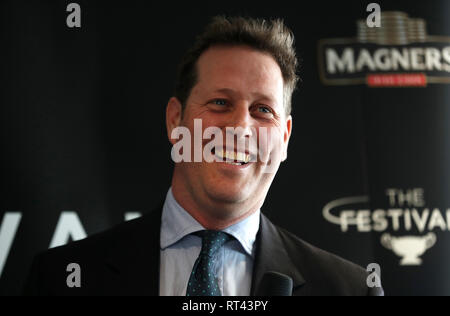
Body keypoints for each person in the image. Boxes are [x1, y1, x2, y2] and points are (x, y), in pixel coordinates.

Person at [24, 16, 383, 296]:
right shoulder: (61, 279)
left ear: (284, 138)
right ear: (175, 120)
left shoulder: (349, 290)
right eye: (220, 103)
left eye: (262, 110)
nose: (241, 127)